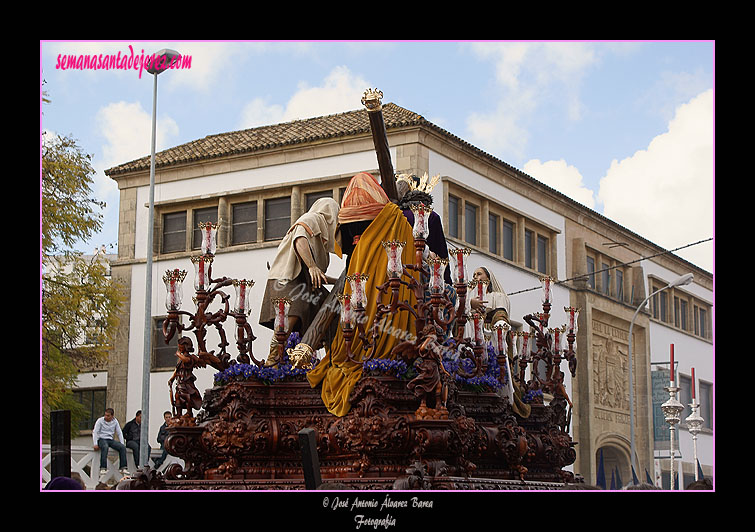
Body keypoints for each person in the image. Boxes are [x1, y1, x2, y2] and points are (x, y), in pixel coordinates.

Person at [307, 172, 419, 417]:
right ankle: (375, 348)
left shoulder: (388, 224)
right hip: (371, 279)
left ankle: (366, 349)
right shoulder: (394, 222)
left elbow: (345, 243)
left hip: (369, 275)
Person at [259, 197, 341, 366]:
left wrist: (339, 281)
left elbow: (317, 276)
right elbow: (300, 239)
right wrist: (312, 266)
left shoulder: (320, 237)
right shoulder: (313, 218)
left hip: (305, 285)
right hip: (288, 279)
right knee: (291, 316)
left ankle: (330, 358)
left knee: (331, 309)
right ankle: (272, 361)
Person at [92, 408, 128, 479]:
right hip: (101, 439)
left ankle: (123, 467)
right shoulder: (100, 421)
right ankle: (103, 467)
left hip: (110, 439)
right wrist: (95, 443)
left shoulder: (115, 421)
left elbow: (119, 432)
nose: (106, 417)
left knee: (122, 448)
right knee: (105, 447)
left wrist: (122, 443)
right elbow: (95, 432)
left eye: (108, 416)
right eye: (105, 415)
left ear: (112, 416)